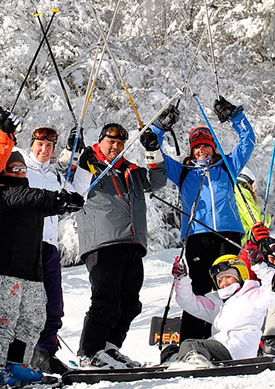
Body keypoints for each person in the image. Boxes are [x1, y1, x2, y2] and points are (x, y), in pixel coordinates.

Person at [151, 96, 256, 342]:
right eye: (197, 146)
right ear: (191, 149)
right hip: (197, 237)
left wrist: (235, 117)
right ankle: (190, 341)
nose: (201, 150)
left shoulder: (227, 166)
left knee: (230, 285)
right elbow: (153, 151)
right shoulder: (183, 172)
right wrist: (160, 127)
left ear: (213, 147)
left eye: (206, 145)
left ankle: (231, 336)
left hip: (227, 235)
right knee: (198, 288)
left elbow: (248, 141)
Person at [0, 150, 83, 385]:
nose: (19, 173)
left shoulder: (29, 198)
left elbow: (42, 202)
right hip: (3, 269)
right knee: (4, 320)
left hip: (31, 270)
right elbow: (24, 197)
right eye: (12, 169)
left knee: (34, 319)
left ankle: (17, 363)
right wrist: (54, 199)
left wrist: (66, 202)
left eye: (22, 169)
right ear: (1, 172)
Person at [71, 123, 167, 368]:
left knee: (130, 303)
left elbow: (157, 181)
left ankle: (110, 347)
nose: (115, 146)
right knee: (105, 299)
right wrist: (78, 157)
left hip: (132, 242)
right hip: (102, 242)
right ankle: (89, 351)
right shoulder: (90, 166)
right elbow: (73, 185)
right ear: (101, 140)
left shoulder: (131, 171)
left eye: (120, 143)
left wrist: (153, 151)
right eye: (110, 141)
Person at [169, 253, 275, 365]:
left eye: (228, 277)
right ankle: (176, 362)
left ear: (241, 276)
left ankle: (194, 362)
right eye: (220, 280)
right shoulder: (217, 304)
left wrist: (259, 265)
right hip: (221, 346)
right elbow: (189, 302)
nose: (224, 283)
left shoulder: (252, 296)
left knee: (191, 345)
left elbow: (274, 290)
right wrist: (182, 278)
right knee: (171, 350)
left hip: (238, 348)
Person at [22, 126, 72, 374]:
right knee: (27, 305)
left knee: (54, 305)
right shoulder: (21, 168)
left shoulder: (55, 175)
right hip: (27, 242)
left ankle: (45, 352)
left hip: (50, 244)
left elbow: (76, 190)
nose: (44, 150)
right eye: (40, 145)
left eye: (49, 146)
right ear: (31, 144)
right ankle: (21, 355)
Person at [234, 166, 271, 243]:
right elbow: (257, 223)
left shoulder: (230, 191)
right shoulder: (241, 192)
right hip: (242, 244)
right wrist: (267, 218)